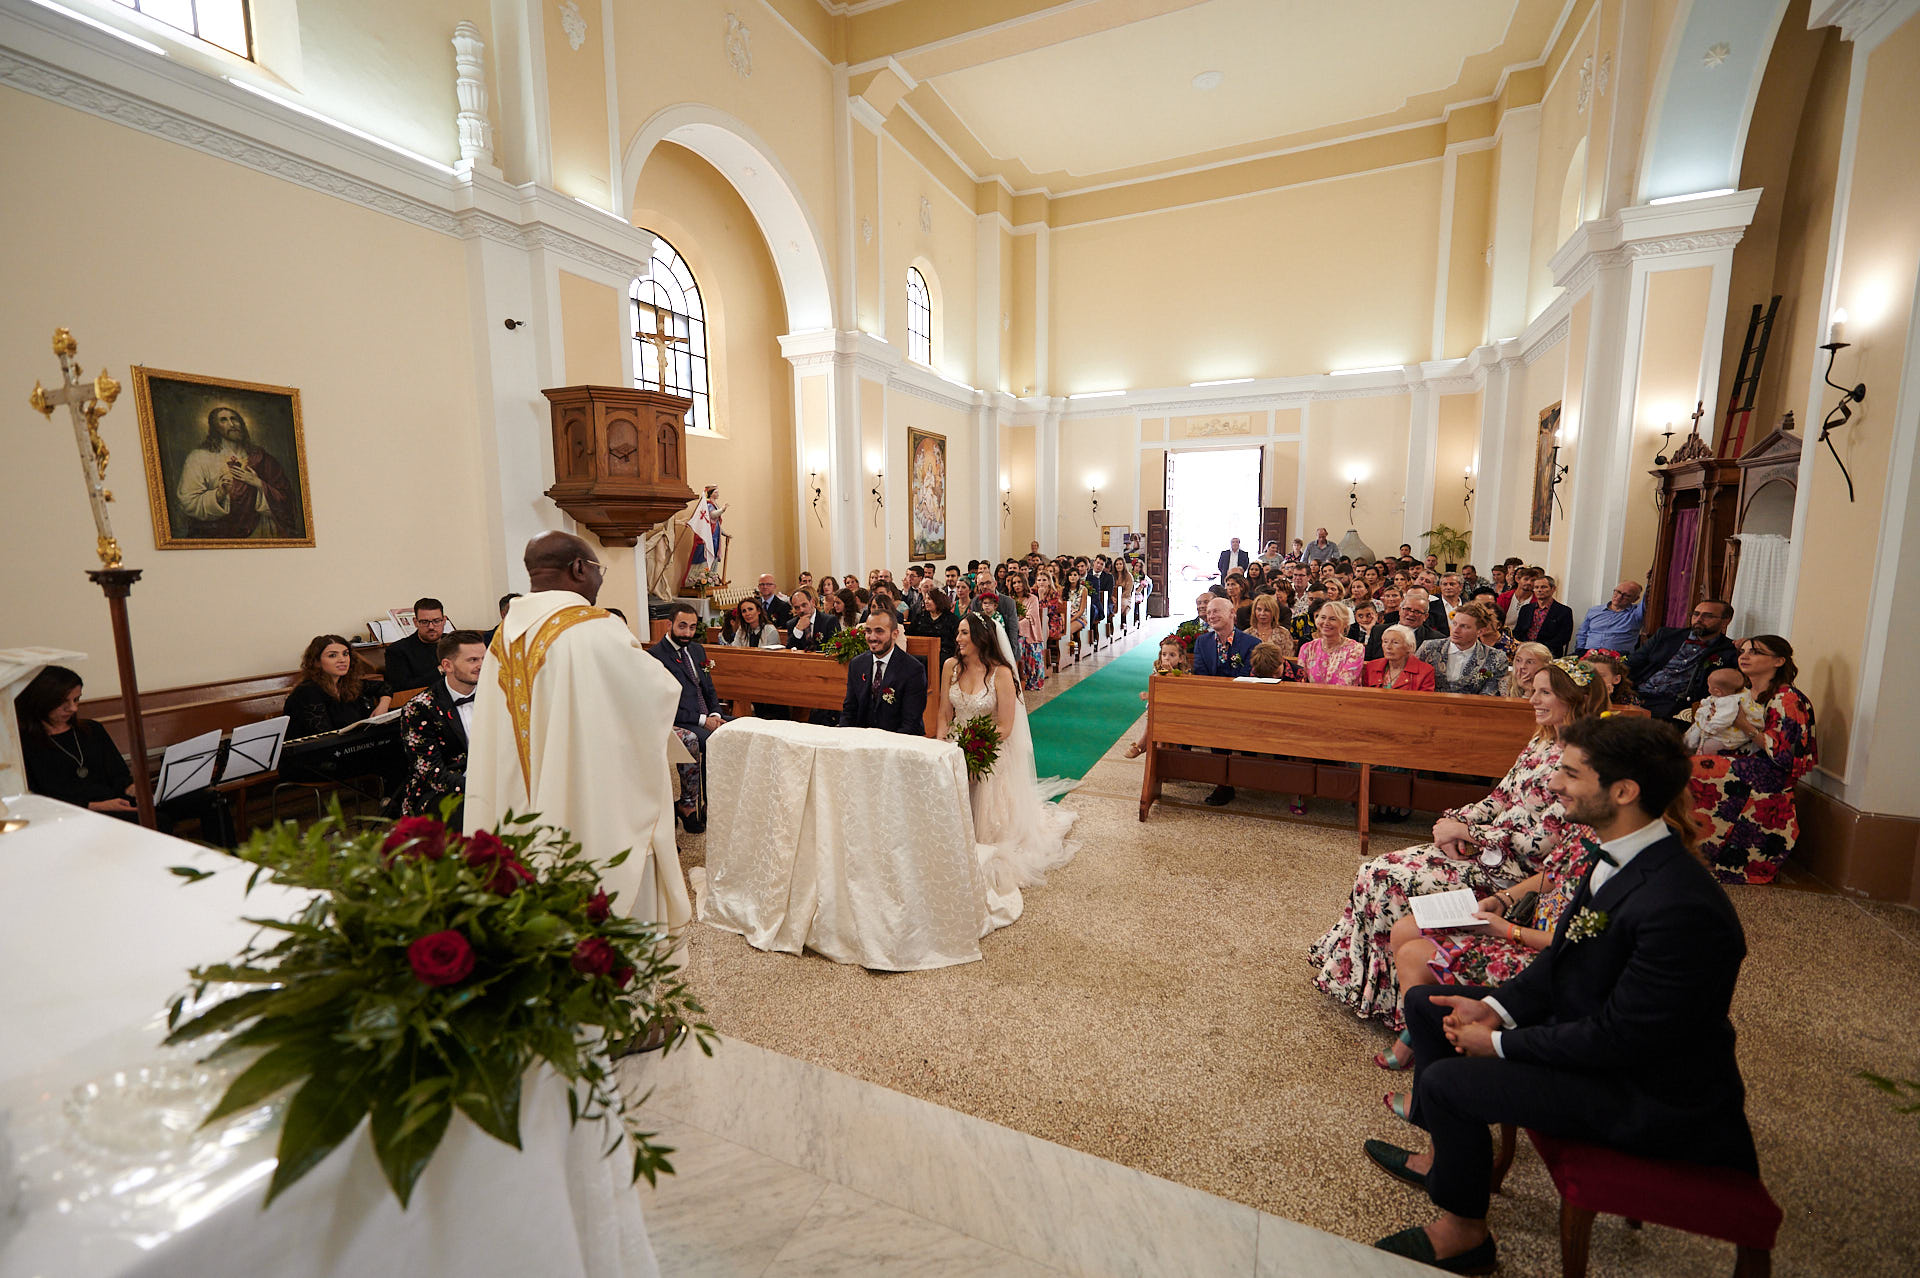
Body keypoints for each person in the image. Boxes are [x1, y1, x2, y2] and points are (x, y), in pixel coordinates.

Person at [1366, 716, 1756, 1274]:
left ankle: (1463, 1232)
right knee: (1427, 1008)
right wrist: (1494, 1008)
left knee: (1449, 1082)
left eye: (1571, 774)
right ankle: (1446, 1158)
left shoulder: (1681, 907)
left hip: (1646, 1090)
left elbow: (1625, 1039)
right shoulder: (1617, 855)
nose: (1554, 785)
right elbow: (1563, 961)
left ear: (1624, 792)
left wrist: (1498, 1045)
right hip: (1596, 1035)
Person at [1308, 659, 1609, 1025]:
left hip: (1513, 874)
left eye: (1544, 692)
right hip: (1486, 850)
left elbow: (1539, 843)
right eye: (1534, 690)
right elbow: (1499, 798)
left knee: (1387, 878)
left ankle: (1401, 1007)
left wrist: (1467, 834)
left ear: (1574, 699)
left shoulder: (1581, 761)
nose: (1532, 699)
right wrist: (1455, 821)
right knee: (1373, 869)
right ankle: (1365, 985)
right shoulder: (1541, 740)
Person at [468, 532, 691, 957]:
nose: (598, 582)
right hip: (591, 805)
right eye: (597, 570)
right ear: (578, 569)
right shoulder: (594, 627)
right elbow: (658, 693)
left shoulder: (501, 637)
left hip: (522, 805)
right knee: (614, 896)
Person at [13, 665, 236, 846]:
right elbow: (38, 798)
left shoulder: (91, 730)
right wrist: (96, 805)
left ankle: (231, 865)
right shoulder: (25, 744)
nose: (72, 708)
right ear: (42, 702)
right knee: (156, 821)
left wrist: (134, 788)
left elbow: (119, 775)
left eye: (77, 700)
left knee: (211, 800)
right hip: (80, 812)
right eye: (64, 703)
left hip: (118, 799)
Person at [935, 613, 1078, 888]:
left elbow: (1005, 727)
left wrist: (975, 748)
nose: (958, 639)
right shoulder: (950, 666)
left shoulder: (1000, 673)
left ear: (980, 637)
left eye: (964, 633)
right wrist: (943, 744)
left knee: (989, 781)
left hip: (990, 745)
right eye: (958, 633)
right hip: (956, 742)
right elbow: (944, 713)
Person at [1690, 635, 1818, 884]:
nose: (1745, 656)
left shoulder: (1787, 699)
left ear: (1779, 661)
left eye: (1756, 652)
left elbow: (1783, 754)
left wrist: (1742, 725)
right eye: (1744, 651)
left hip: (1768, 771)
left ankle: (1702, 856)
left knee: (1691, 770)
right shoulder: (1744, 692)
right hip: (1741, 758)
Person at [650, 602, 724, 833]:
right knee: (713, 741)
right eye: (683, 627)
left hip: (706, 715)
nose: (688, 633)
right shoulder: (655, 656)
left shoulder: (697, 650)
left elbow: (709, 689)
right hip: (680, 720)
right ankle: (690, 805)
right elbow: (662, 704)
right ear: (669, 624)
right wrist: (704, 720)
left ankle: (721, 805)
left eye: (692, 627)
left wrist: (715, 714)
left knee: (739, 731)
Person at [399, 629, 485, 826]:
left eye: (484, 658)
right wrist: (481, 786)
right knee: (468, 813)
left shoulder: (496, 695)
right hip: (439, 791)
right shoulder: (420, 707)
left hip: (491, 781)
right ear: (447, 665)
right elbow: (431, 773)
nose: (482, 665)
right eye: (473, 660)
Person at [174, 404, 300, 539]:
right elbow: (188, 502)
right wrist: (219, 494)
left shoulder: (262, 458)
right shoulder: (199, 458)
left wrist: (258, 483)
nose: (232, 424)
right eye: (223, 420)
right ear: (215, 427)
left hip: (260, 533)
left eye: (234, 419)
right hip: (215, 536)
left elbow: (286, 499)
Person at [1627, 599, 1739, 721]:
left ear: (1725, 621)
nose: (1699, 619)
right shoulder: (1665, 635)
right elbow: (1632, 663)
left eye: (1708, 616)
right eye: (1696, 614)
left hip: (1675, 704)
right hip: (1639, 694)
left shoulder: (1728, 650)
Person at [839, 609, 927, 735]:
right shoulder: (857, 664)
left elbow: (910, 723)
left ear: (895, 634)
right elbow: (849, 711)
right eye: (868, 631)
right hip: (862, 741)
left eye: (879, 631)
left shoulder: (913, 669)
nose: (872, 637)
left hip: (899, 743)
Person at [285, 635, 391, 737]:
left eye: (345, 654)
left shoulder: (347, 683)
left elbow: (384, 687)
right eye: (332, 655)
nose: (342, 660)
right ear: (316, 662)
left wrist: (383, 705)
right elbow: (324, 736)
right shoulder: (307, 692)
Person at [1416, 603, 1509, 696]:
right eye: (1454, 623)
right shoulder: (1429, 648)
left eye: (1464, 626)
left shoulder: (1496, 658)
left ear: (1480, 631)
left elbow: (1488, 696)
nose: (1455, 630)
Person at [1680, 667, 1757, 755]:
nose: (1708, 689)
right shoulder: (1734, 692)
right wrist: (1705, 703)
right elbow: (1712, 699)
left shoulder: (1730, 702)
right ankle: (1686, 747)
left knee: (1705, 744)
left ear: (1718, 692)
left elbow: (1723, 720)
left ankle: (1697, 756)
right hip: (1721, 724)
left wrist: (1709, 728)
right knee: (1692, 733)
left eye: (1709, 687)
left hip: (1729, 733)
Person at [384, 597, 450, 693]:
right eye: (424, 622)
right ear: (415, 622)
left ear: (444, 621)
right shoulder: (398, 650)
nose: (431, 627)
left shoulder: (456, 643)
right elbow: (399, 688)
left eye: (436, 621)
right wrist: (439, 670)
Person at [1300, 601, 1365, 686]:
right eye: (1323, 617)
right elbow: (1301, 682)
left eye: (1332, 619)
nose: (1326, 623)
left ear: (1344, 624)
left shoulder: (1355, 649)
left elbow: (1345, 683)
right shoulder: (1307, 648)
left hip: (1343, 697)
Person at [1575, 580, 1645, 656]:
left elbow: (1649, 597)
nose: (1619, 597)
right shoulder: (1594, 611)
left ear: (1635, 599)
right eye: (1618, 592)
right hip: (1588, 655)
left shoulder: (1636, 613)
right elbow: (1582, 634)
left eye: (1626, 595)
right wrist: (1580, 652)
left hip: (1617, 659)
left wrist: (1651, 578)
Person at [1512, 574, 1573, 657]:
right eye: (1536, 587)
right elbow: (1518, 631)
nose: (1539, 590)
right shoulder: (1526, 609)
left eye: (1544, 587)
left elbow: (1563, 637)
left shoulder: (1564, 611)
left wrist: (1539, 648)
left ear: (1553, 589)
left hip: (1549, 653)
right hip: (1524, 649)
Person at [1362, 625, 1435, 691]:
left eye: (1395, 642)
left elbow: (1425, 702)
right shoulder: (1372, 666)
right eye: (1385, 642)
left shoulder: (1425, 671)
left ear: (1410, 647)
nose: (1388, 647)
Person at [909, 584, 960, 667]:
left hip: (943, 654)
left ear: (938, 600)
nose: (926, 602)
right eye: (925, 599)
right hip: (920, 654)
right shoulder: (920, 616)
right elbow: (910, 634)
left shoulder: (951, 619)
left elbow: (954, 642)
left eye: (929, 599)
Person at [1012, 575, 1046, 692]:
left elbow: (1031, 617)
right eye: (1014, 583)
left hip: (1029, 633)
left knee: (1020, 642)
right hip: (1014, 631)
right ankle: (1015, 678)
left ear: (1024, 583)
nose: (1017, 585)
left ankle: (1029, 678)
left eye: (1019, 582)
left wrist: (1016, 625)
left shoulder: (1032, 598)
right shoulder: (1011, 599)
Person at [786, 587, 838, 651]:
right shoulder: (792, 624)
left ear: (812, 602)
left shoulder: (829, 621)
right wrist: (798, 630)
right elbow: (789, 650)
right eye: (797, 607)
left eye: (804, 605)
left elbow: (834, 647)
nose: (801, 610)